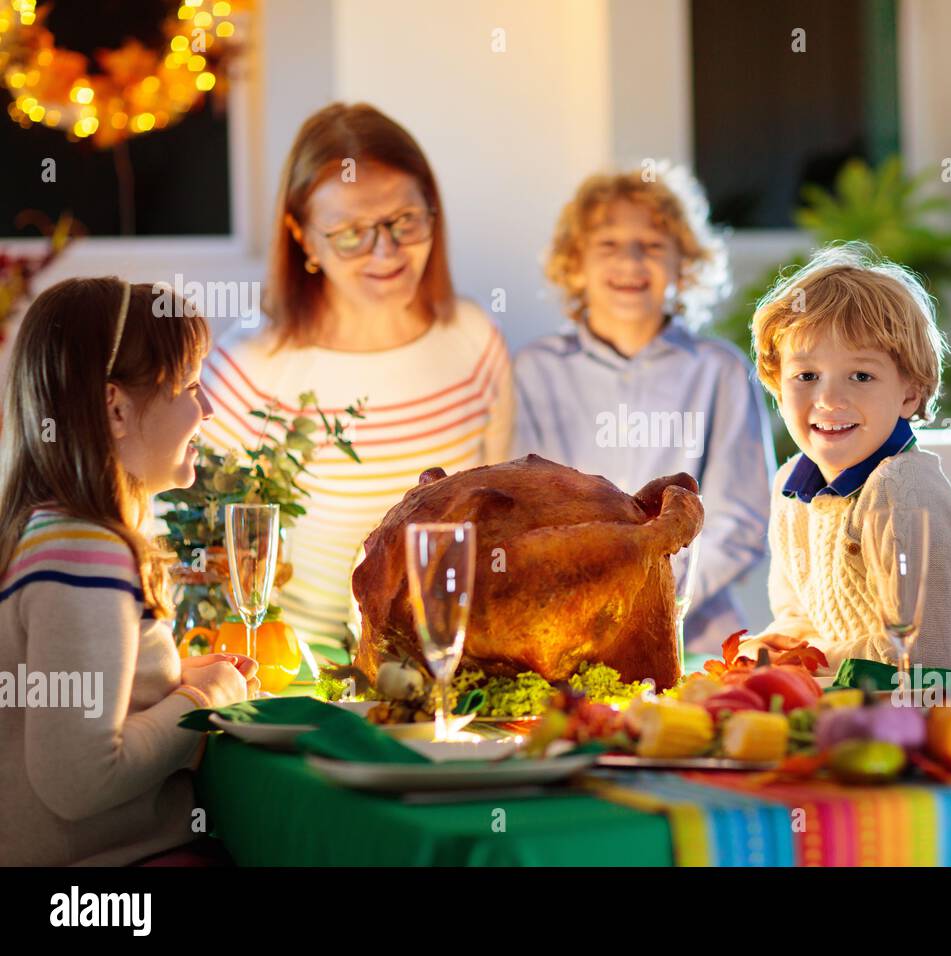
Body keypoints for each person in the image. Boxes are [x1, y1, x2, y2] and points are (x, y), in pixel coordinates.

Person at [201, 104, 513, 663]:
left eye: (405, 221)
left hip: (455, 661)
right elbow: (206, 555)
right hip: (303, 674)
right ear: (303, 238)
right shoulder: (251, 368)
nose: (386, 252)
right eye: (350, 233)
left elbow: (501, 520)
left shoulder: (473, 341)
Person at [0, 277, 256, 866]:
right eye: (191, 385)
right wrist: (204, 697)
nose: (208, 407)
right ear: (116, 408)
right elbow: (79, 779)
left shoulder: (50, 534)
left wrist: (165, 682)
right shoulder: (84, 552)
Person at [741, 243, 951, 674]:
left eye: (861, 376)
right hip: (879, 703)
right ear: (776, 386)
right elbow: (802, 621)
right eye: (806, 376)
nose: (828, 399)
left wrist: (811, 658)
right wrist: (775, 647)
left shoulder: (901, 490)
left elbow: (920, 659)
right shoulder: (790, 487)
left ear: (910, 393)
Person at [512, 165, 773, 653]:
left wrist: (649, 593)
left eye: (652, 246)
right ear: (575, 264)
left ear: (684, 264)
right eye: (608, 245)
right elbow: (527, 512)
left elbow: (742, 521)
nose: (630, 261)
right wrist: (590, 595)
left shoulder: (722, 371)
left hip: (696, 632)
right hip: (570, 627)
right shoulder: (535, 370)